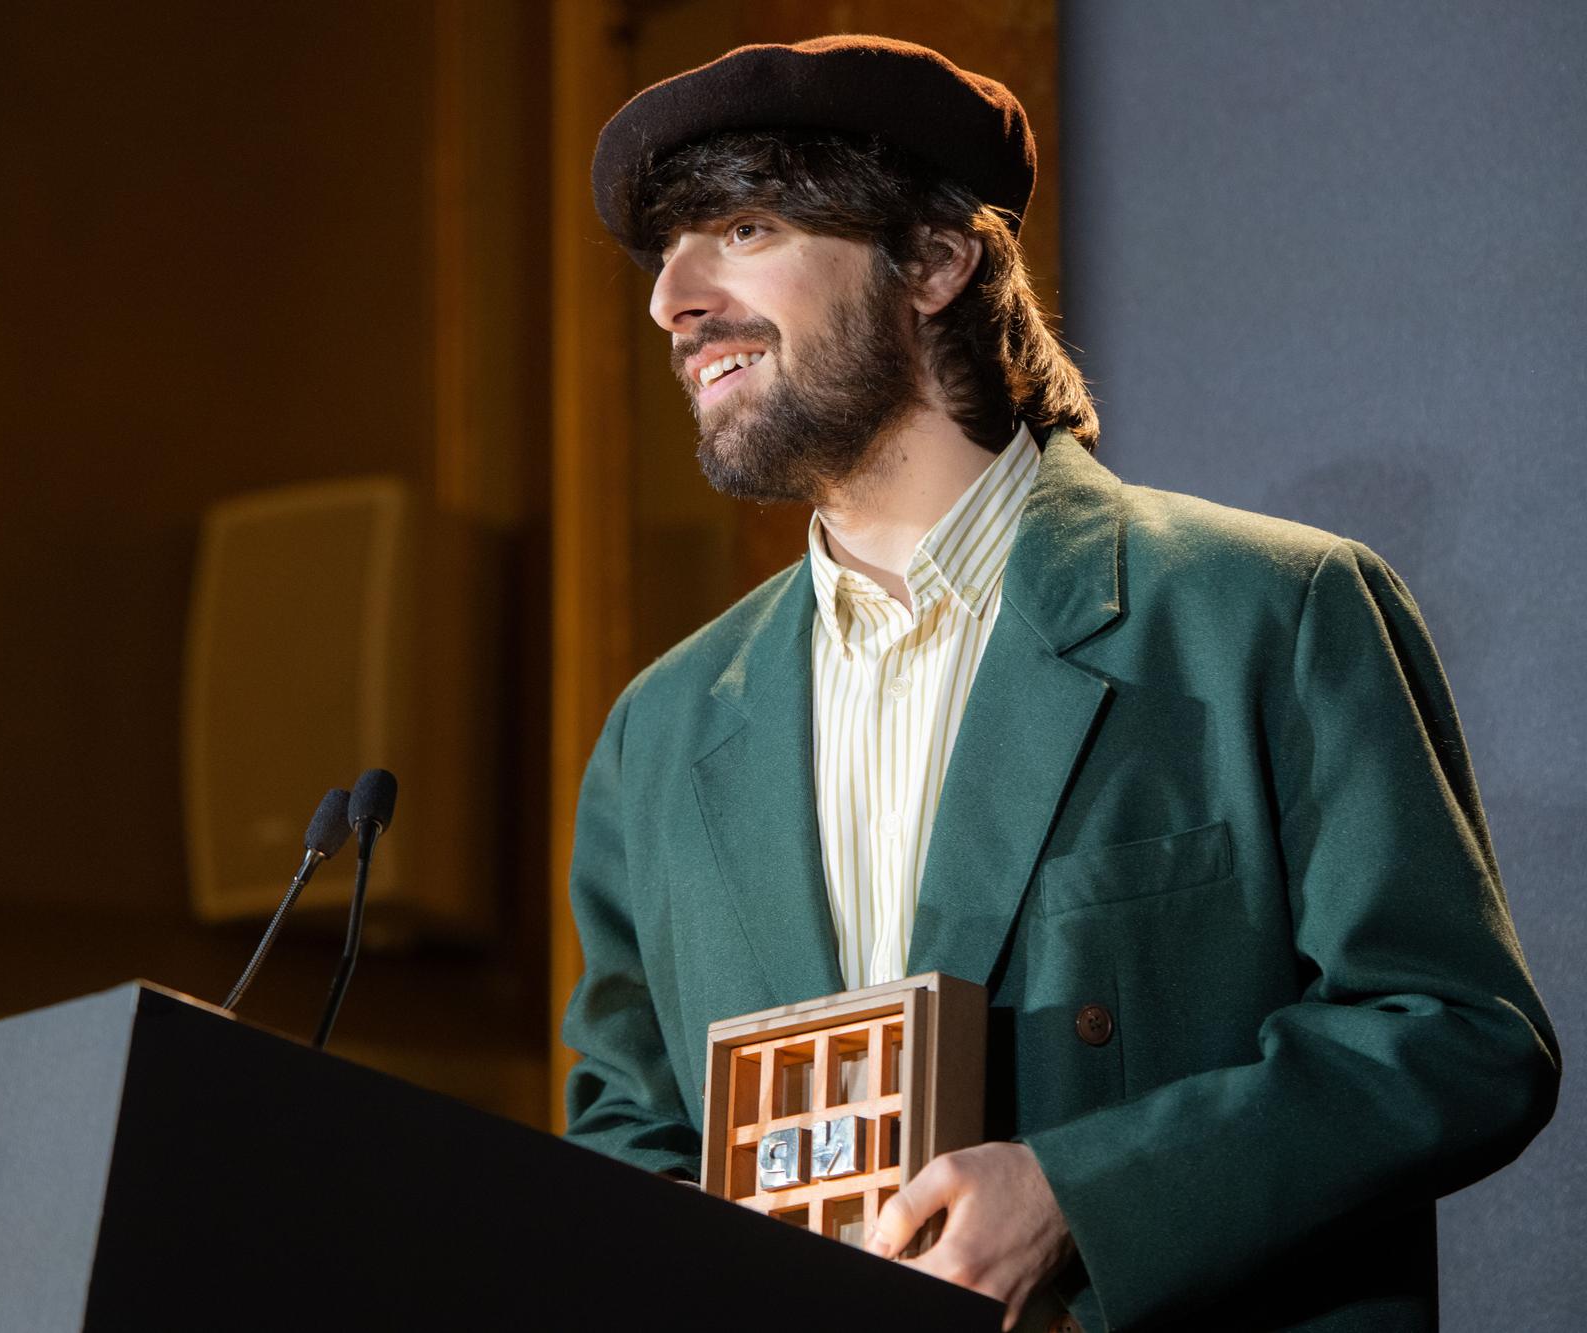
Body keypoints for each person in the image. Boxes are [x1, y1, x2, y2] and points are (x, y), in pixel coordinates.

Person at [559, 35, 1559, 1333]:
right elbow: (626, 1138)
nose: (672, 300)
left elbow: (1455, 1033)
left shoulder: (1270, 612)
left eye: (743, 227)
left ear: (933, 258)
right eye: (664, 256)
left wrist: (1082, 1196)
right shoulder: (660, 731)